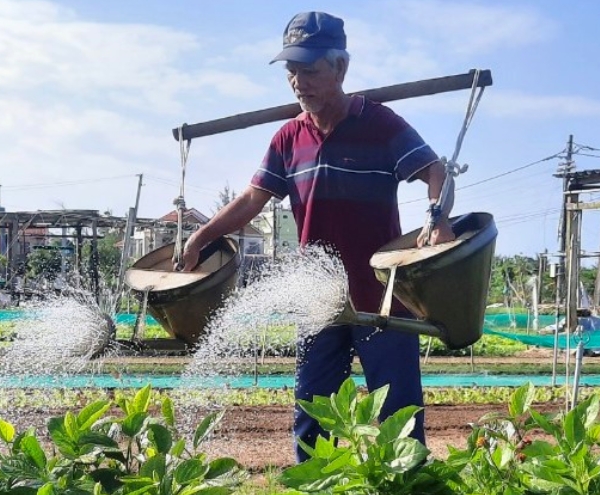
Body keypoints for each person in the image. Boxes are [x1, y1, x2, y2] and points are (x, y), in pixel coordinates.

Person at [180, 11, 455, 462]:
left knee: (400, 420)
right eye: (291, 71)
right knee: (313, 418)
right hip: (319, 303)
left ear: (340, 68)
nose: (298, 81)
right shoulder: (289, 138)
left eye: (309, 70)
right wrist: (200, 237)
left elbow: (435, 171)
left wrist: (437, 216)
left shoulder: (381, 124)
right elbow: (252, 200)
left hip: (383, 300)